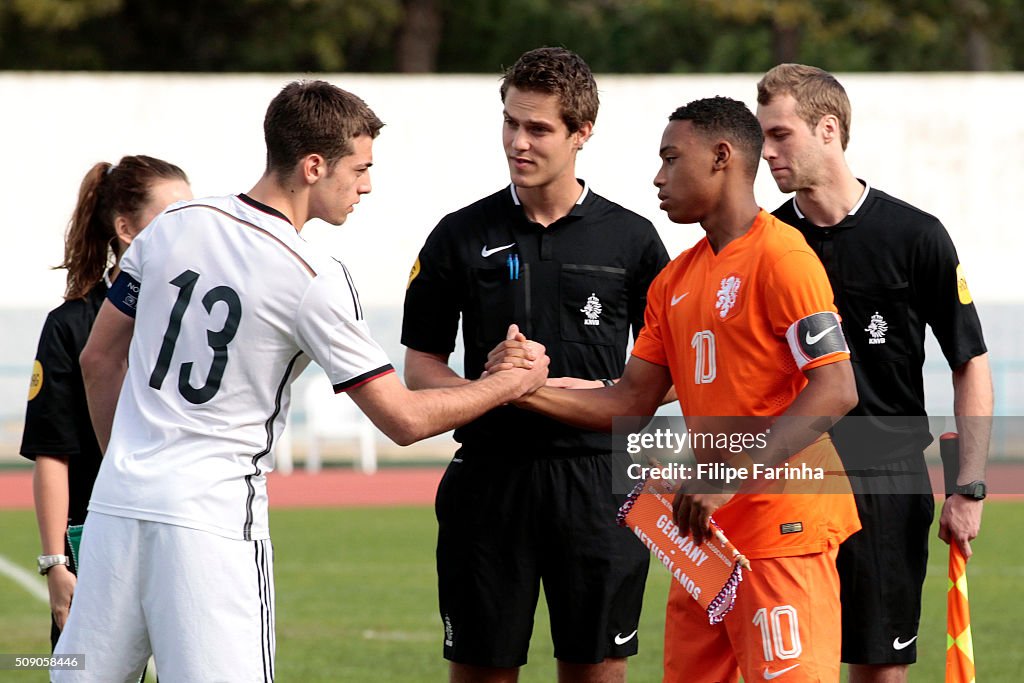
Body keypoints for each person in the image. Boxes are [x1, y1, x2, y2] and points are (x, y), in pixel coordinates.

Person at [52, 80, 549, 683]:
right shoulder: (313, 275)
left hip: (116, 506)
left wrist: (126, 463)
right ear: (314, 166)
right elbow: (404, 420)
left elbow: (98, 360)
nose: (367, 185)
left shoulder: (175, 222)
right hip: (212, 525)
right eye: (360, 169)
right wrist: (508, 381)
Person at [492, 96, 862, 682]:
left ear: (722, 158)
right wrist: (515, 390)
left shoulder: (785, 258)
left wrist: (726, 477)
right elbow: (629, 401)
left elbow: (836, 389)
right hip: (703, 539)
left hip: (782, 532)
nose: (658, 178)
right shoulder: (674, 280)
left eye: (670, 159)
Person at [401, 47, 669, 683]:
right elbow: (420, 370)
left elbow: (666, 378)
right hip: (490, 483)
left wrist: (563, 389)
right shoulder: (457, 235)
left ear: (582, 133)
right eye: (510, 123)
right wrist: (491, 388)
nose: (518, 143)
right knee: (480, 668)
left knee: (596, 668)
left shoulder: (633, 240)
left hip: (601, 482)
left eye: (539, 128)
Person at [756, 63, 993, 683]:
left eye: (780, 135)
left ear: (827, 129)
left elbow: (970, 361)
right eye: (763, 137)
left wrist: (968, 487)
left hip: (886, 476)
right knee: (785, 666)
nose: (768, 152)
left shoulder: (915, 235)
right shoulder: (768, 242)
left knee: (878, 670)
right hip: (792, 473)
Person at [20, 155, 191, 649]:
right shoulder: (70, 325)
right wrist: (56, 566)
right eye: (172, 217)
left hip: (181, 537)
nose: (189, 231)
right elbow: (54, 452)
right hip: (95, 545)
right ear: (126, 229)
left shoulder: (198, 321)